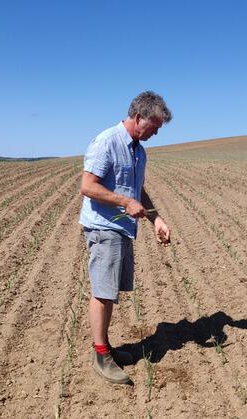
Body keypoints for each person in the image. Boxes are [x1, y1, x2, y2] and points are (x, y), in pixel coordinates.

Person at [78, 91, 172, 384]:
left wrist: (156, 218)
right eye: (153, 125)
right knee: (103, 292)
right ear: (137, 117)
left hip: (120, 229)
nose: (155, 132)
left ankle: (106, 347)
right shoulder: (107, 141)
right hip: (104, 226)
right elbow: (87, 187)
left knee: (110, 293)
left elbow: (138, 191)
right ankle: (101, 356)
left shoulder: (139, 151)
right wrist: (124, 202)